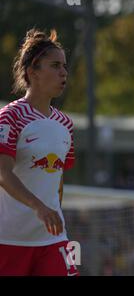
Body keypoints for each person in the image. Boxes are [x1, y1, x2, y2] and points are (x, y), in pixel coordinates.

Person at [0, 29, 78, 276]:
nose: (63, 72)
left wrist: (54, 214)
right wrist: (40, 208)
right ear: (33, 71)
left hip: (53, 240)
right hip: (9, 239)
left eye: (64, 66)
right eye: (55, 66)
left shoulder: (66, 124)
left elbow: (58, 180)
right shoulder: (10, 117)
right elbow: (2, 172)